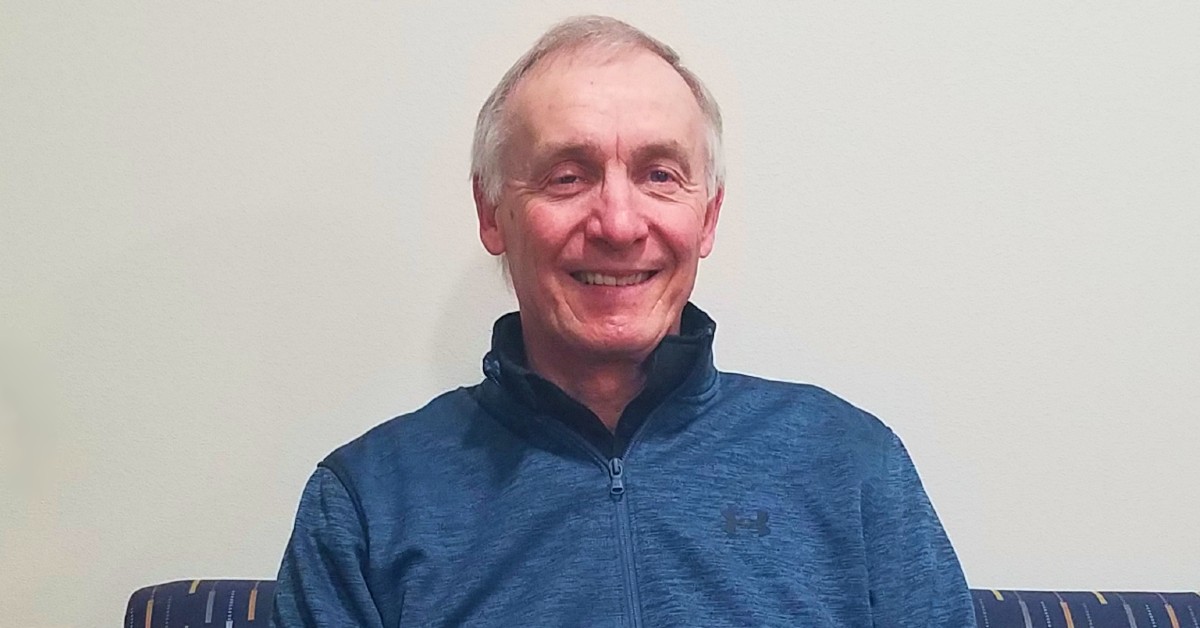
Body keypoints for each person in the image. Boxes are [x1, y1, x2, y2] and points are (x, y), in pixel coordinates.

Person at [272, 15, 975, 627]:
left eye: (660, 175)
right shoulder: (366, 504)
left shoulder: (850, 465)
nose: (618, 222)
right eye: (567, 176)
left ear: (709, 215)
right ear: (492, 213)